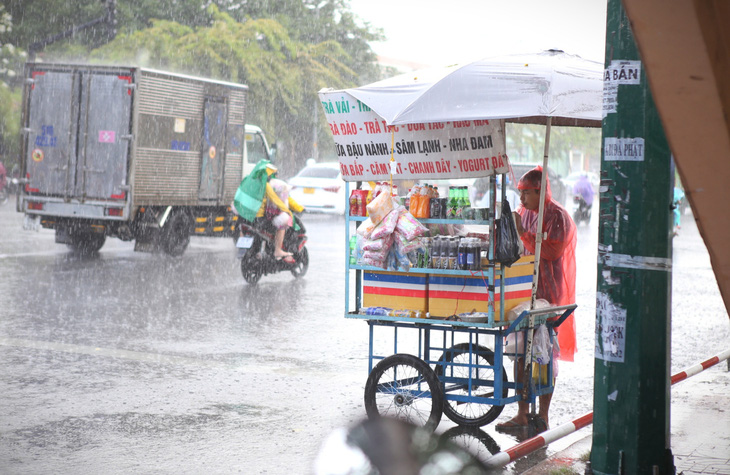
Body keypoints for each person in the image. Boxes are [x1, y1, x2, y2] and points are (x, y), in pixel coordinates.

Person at [495, 166, 577, 432]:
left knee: (544, 354)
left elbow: (552, 250)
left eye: (526, 193)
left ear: (540, 192)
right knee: (520, 352)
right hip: (522, 294)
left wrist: (524, 234)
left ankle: (542, 414)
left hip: (549, 295)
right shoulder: (522, 215)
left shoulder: (557, 216)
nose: (521, 199)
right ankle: (521, 412)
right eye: (519, 193)